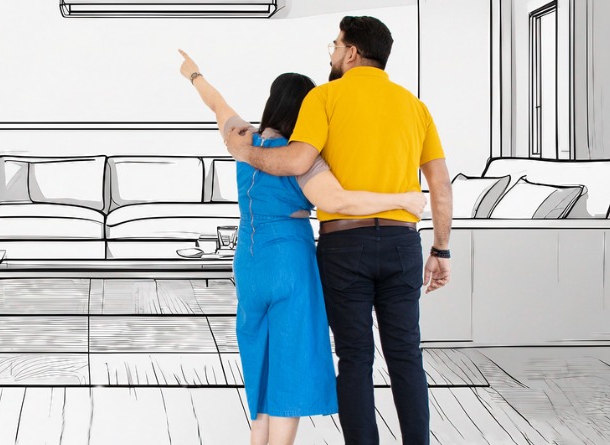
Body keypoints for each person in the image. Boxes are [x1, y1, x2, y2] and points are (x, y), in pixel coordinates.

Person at [223, 16, 454, 445]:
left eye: (335, 45)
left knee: (355, 358)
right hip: (404, 244)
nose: (331, 53)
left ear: (350, 52)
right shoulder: (415, 106)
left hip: (346, 245)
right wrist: (441, 250)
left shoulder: (325, 97)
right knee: (406, 356)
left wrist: (243, 151)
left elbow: (293, 162)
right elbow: (439, 184)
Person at [178, 49, 426, 445]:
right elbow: (340, 203)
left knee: (261, 366)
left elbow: (217, 103)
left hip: (249, 264)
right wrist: (403, 201)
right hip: (289, 263)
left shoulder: (243, 140)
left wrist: (193, 74)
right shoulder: (303, 161)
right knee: (289, 373)